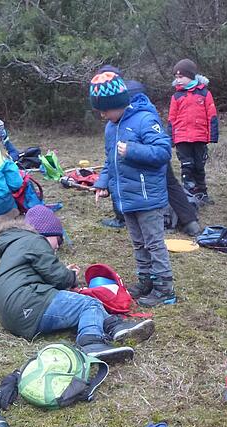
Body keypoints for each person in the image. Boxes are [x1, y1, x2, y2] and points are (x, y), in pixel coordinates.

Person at [0, 205, 155, 363]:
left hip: (13, 314)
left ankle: (116, 327)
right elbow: (59, 278)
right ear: (47, 233)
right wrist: (70, 276)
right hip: (28, 305)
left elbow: (38, 275)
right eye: (58, 241)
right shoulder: (35, 240)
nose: (57, 248)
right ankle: (91, 343)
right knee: (87, 304)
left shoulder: (16, 245)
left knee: (80, 305)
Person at [89, 72, 176, 307]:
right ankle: (145, 279)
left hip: (148, 197)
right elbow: (110, 160)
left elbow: (163, 152)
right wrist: (103, 183)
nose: (102, 115)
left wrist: (132, 150)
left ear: (117, 104)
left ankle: (164, 287)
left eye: (105, 110)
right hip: (126, 198)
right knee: (138, 243)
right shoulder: (111, 127)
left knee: (154, 243)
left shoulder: (145, 120)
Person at [96, 65, 201, 236]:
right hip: (152, 143)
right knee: (171, 183)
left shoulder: (123, 95)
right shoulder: (132, 88)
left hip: (144, 147)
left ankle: (121, 218)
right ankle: (190, 221)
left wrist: (135, 148)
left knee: (124, 176)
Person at [168, 59, 219, 205]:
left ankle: (202, 192)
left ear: (191, 76)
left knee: (199, 166)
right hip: (182, 138)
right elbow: (172, 118)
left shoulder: (204, 93)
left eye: (181, 77)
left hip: (200, 137)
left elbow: (212, 115)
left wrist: (212, 135)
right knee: (186, 165)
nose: (178, 80)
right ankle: (188, 194)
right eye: (176, 77)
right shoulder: (176, 96)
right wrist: (171, 137)